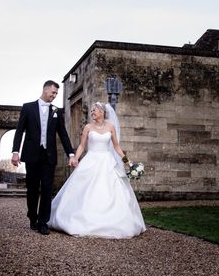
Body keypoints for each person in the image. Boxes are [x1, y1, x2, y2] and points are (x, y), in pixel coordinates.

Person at [49, 102, 146, 239]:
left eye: (94, 110)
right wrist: (75, 158)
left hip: (107, 162)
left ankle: (112, 221)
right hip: (91, 161)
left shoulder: (110, 127)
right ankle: (81, 219)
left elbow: (117, 148)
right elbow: (82, 146)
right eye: (92, 110)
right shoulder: (88, 127)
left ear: (102, 112)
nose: (92, 112)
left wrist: (128, 162)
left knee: (109, 190)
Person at [12, 80, 77, 235]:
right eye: (53, 92)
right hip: (32, 155)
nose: (54, 96)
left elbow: (63, 134)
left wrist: (71, 153)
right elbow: (20, 130)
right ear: (45, 89)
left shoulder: (56, 111)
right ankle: (32, 217)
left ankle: (43, 222)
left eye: (56, 93)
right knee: (32, 189)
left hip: (49, 156)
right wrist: (15, 151)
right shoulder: (28, 107)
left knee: (47, 189)